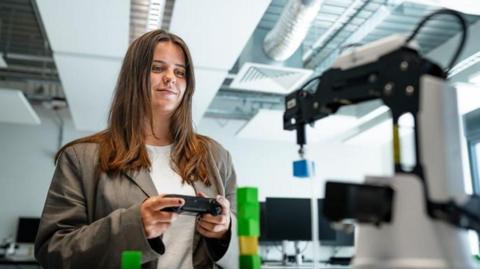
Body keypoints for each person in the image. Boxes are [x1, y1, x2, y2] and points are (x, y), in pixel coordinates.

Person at [34, 29, 238, 269]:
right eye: (157, 68)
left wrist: (224, 232)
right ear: (133, 77)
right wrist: (132, 226)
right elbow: (53, 251)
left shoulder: (215, 155)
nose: (171, 77)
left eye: (180, 72)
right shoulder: (81, 158)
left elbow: (246, 252)